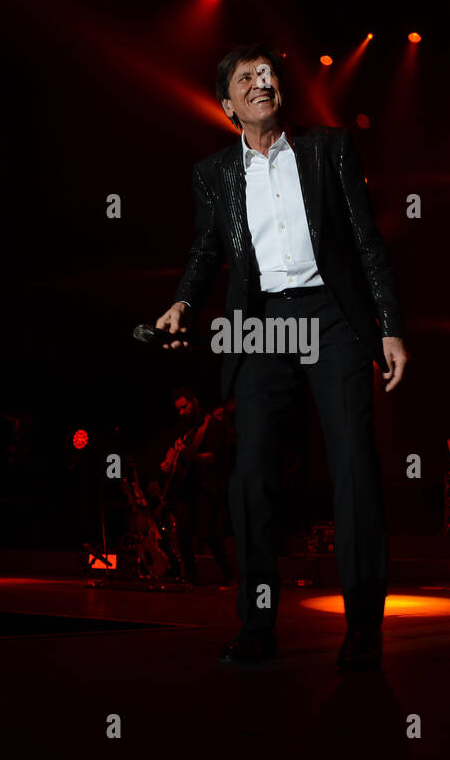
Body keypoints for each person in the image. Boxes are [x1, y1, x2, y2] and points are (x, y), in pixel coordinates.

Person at [154, 42, 408, 669]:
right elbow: (204, 253)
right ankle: (258, 626)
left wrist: (390, 327)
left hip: (331, 314)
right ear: (227, 104)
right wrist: (184, 303)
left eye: (268, 73)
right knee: (250, 478)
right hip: (262, 322)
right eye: (247, 77)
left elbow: (367, 242)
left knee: (353, 462)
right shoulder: (213, 173)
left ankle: (363, 629)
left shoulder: (329, 149)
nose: (262, 82)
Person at [158, 386, 235, 587]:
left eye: (185, 407)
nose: (182, 412)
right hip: (187, 487)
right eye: (179, 410)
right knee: (182, 532)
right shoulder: (184, 426)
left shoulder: (212, 425)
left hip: (207, 486)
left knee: (208, 533)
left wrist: (192, 456)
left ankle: (230, 575)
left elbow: (213, 457)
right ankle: (191, 577)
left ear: (195, 401)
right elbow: (173, 446)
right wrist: (168, 461)